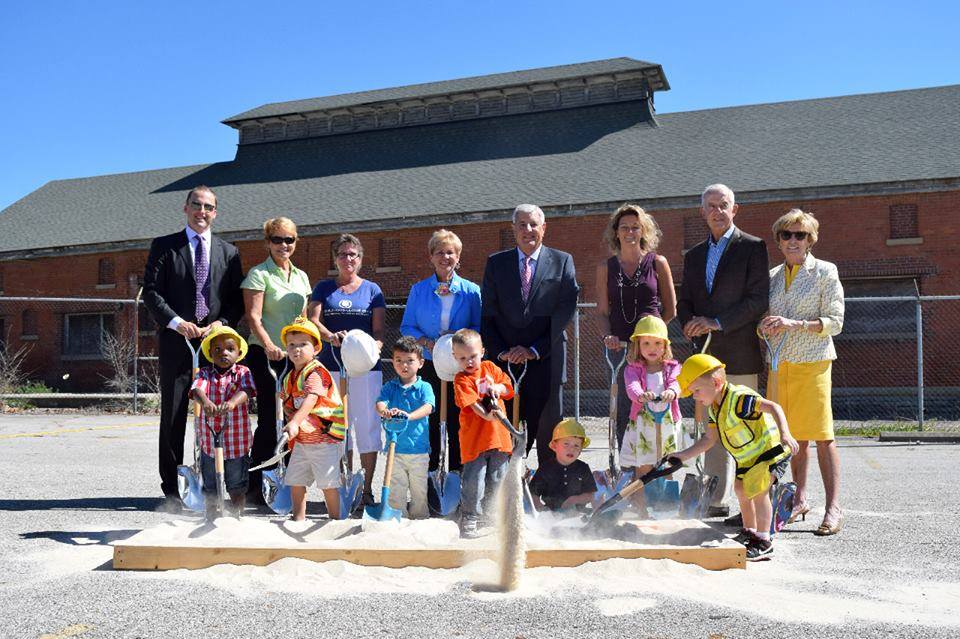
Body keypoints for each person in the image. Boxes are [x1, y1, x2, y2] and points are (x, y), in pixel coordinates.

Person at [142, 185, 244, 512]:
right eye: (197, 205)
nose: (203, 212)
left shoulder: (230, 253)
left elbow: (234, 301)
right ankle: (173, 490)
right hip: (177, 343)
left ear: (216, 213)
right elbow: (152, 293)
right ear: (185, 208)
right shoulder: (165, 247)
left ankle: (217, 487)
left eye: (209, 207)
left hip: (216, 350)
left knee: (217, 414)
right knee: (173, 417)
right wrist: (175, 322)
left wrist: (222, 322)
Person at [676, 184, 769, 519]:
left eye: (724, 205)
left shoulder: (753, 248)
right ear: (703, 212)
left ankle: (754, 503)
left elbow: (759, 300)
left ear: (735, 209)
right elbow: (685, 300)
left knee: (745, 429)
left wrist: (715, 321)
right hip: (704, 358)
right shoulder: (694, 255)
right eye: (711, 206)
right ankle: (715, 500)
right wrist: (689, 323)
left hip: (740, 353)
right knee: (711, 429)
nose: (718, 211)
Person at [760, 209, 845, 536]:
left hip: (813, 365)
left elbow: (835, 322)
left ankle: (834, 507)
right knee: (790, 438)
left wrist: (795, 324)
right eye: (787, 235)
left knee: (823, 437)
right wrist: (764, 327)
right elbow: (767, 321)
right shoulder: (772, 277)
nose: (793, 240)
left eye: (801, 235)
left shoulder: (825, 272)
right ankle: (799, 501)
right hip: (779, 366)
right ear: (779, 240)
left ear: (811, 240)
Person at [670, 353, 799, 561]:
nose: (694, 397)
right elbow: (708, 441)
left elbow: (774, 407)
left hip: (769, 452)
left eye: (696, 390)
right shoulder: (713, 409)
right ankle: (750, 532)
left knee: (758, 491)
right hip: (748, 458)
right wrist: (682, 456)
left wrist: (786, 434)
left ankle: (764, 541)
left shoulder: (740, 400)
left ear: (716, 382)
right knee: (740, 489)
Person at [481, 204, 579, 463]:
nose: (528, 230)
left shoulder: (562, 261)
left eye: (534, 224)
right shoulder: (496, 264)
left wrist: (534, 349)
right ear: (513, 229)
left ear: (544, 228)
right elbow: (488, 312)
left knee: (548, 430)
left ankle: (545, 488)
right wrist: (502, 351)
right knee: (504, 428)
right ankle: (505, 485)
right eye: (522, 224)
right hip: (506, 364)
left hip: (546, 359)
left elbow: (564, 311)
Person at [308, 234, 385, 506]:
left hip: (366, 369)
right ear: (335, 259)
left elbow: (378, 332)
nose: (348, 259)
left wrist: (369, 347)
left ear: (360, 259)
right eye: (342, 254)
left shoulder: (372, 290)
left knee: (367, 428)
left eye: (353, 254)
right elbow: (313, 321)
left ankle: (365, 490)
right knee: (338, 428)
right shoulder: (324, 288)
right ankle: (342, 487)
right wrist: (331, 337)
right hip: (331, 366)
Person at [241, 217, 312, 502]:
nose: (284, 245)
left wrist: (305, 350)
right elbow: (253, 317)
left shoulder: (301, 277)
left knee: (294, 417)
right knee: (271, 418)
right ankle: (255, 485)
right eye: (278, 239)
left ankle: (290, 482)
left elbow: (303, 319)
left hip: (294, 356)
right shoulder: (259, 274)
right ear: (268, 242)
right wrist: (270, 345)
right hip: (266, 355)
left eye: (290, 239)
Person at [400, 229, 481, 475]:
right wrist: (428, 342)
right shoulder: (419, 290)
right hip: (430, 361)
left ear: (458, 257)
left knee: (459, 419)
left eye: (450, 253)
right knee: (432, 417)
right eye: (439, 253)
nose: (445, 257)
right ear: (431, 257)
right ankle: (432, 470)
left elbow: (477, 327)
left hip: (460, 366)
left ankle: (457, 471)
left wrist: (459, 342)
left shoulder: (471, 291)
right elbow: (407, 327)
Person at [596, 204, 677, 448]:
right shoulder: (605, 268)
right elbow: (601, 312)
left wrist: (651, 340)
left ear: (643, 231)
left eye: (635, 227)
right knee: (625, 410)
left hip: (653, 352)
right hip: (621, 350)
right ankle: (628, 466)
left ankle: (659, 463)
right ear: (616, 233)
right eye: (624, 228)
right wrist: (608, 335)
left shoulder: (657, 262)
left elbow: (671, 309)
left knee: (656, 405)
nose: (630, 232)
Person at [278, 317, 346, 522]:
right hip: (303, 441)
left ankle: (335, 520)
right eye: (291, 345)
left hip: (325, 439)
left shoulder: (316, 373)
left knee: (328, 483)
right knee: (296, 480)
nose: (296, 349)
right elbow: (288, 402)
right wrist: (288, 414)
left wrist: (295, 422)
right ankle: (298, 519)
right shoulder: (291, 375)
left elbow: (311, 400)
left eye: (303, 344)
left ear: (316, 348)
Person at [451, 328, 515, 538]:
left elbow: (508, 388)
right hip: (475, 442)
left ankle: (493, 517)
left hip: (499, 439)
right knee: (474, 482)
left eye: (473, 356)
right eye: (462, 358)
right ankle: (470, 518)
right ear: (455, 358)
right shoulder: (461, 379)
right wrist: (486, 415)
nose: (469, 361)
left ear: (482, 352)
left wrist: (497, 387)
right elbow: (471, 403)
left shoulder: (491, 368)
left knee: (498, 479)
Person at [188, 326, 256, 520]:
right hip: (210, 443)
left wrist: (233, 402)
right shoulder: (204, 373)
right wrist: (206, 402)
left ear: (239, 353)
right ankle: (211, 518)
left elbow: (247, 390)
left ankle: (236, 517)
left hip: (237, 442)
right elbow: (196, 390)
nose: (223, 353)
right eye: (217, 350)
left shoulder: (243, 372)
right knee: (210, 486)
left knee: (236, 485)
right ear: (210, 354)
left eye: (229, 349)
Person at [620, 315, 682, 515]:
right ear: (638, 345)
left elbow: (675, 383)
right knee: (643, 465)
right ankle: (641, 508)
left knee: (667, 464)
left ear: (665, 346)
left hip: (667, 423)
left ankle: (667, 508)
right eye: (646, 343)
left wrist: (671, 392)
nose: (652, 348)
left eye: (657, 343)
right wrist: (640, 395)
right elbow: (632, 387)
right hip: (643, 424)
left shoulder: (671, 367)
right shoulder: (633, 369)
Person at [375, 337, 436, 519]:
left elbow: (429, 407)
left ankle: (419, 518)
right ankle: (397, 517)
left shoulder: (424, 387)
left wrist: (409, 416)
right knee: (396, 488)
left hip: (418, 450)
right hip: (396, 449)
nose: (404, 365)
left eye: (410, 361)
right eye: (399, 360)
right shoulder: (390, 387)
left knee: (419, 490)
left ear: (420, 363)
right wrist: (385, 412)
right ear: (393, 362)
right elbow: (379, 403)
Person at [529, 419, 597, 512]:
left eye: (576, 445)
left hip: (578, 514)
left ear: (581, 449)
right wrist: (540, 508)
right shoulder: (546, 469)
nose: (571, 449)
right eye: (566, 444)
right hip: (552, 513)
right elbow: (533, 494)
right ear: (554, 446)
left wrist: (574, 500)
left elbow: (591, 495)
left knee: (606, 517)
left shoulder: (583, 468)